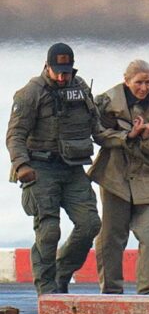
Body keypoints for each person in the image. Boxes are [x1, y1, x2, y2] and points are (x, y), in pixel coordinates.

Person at [6, 42, 101, 295]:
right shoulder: (30, 93)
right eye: (57, 72)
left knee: (90, 224)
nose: (62, 77)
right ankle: (47, 291)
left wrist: (125, 137)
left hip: (73, 167)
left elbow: (96, 126)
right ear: (47, 66)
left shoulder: (80, 88)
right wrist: (21, 164)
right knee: (48, 231)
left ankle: (62, 271)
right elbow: (15, 135)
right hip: (40, 167)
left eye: (66, 72)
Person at [88, 59, 149, 295]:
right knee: (111, 237)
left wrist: (148, 137)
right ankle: (111, 290)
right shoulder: (107, 100)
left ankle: (147, 289)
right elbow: (96, 133)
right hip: (115, 177)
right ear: (126, 81)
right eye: (139, 82)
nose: (144, 87)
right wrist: (127, 136)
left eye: (148, 82)